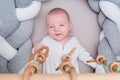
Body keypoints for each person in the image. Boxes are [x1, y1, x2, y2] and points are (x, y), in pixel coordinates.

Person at [33, 8, 97, 74]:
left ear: (69, 26)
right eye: (51, 26)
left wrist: (96, 66)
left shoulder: (74, 41)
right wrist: (37, 48)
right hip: (51, 78)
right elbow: (37, 55)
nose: (56, 29)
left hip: (71, 77)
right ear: (47, 29)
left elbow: (84, 56)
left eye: (61, 25)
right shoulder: (46, 41)